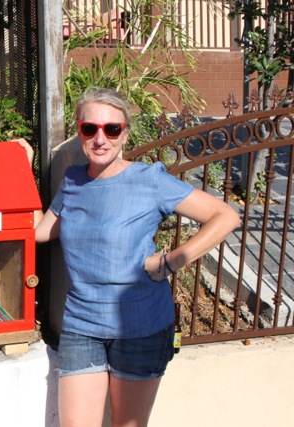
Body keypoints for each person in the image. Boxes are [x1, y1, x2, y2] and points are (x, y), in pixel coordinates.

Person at [20, 87, 239, 427]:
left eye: (112, 129)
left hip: (141, 326)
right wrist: (23, 168)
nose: (100, 139)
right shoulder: (73, 181)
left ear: (125, 133)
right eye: (89, 128)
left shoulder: (149, 180)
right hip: (82, 325)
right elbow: (40, 232)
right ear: (80, 131)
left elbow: (225, 216)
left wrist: (172, 261)